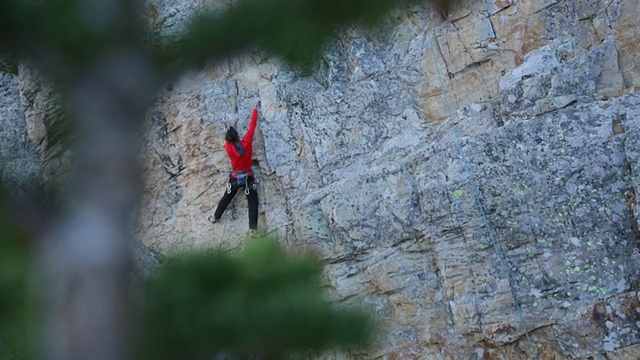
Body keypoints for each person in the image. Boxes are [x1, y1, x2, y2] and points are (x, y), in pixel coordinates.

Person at [211, 101, 260, 230]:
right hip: (248, 177)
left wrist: (232, 124)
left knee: (226, 197)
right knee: (253, 203)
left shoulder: (228, 147)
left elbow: (229, 137)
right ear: (238, 136)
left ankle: (216, 216)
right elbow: (252, 126)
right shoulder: (247, 143)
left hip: (234, 177)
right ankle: (253, 231)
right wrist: (254, 108)